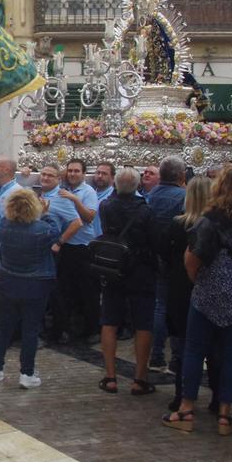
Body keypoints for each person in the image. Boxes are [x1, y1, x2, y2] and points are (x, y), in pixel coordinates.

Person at [164, 165, 232, 436]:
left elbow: (192, 258)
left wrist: (199, 280)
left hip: (209, 289)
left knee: (195, 350)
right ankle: (225, 411)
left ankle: (186, 406)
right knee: (231, 353)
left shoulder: (210, 219)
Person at [0, 189, 60, 388]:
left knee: (3, 327)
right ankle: (26, 373)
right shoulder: (41, 229)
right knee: (30, 329)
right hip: (35, 285)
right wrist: (46, 214)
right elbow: (56, 232)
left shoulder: (5, 226)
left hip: (8, 283)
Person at [96, 168, 155, 396]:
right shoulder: (146, 211)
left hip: (114, 267)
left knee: (109, 321)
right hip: (140, 270)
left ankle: (110, 376)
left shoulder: (106, 206)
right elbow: (152, 240)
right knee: (143, 323)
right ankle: (139, 378)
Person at [162, 176, 211, 412]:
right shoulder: (212, 225)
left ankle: (181, 395)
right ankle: (218, 398)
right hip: (204, 285)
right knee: (212, 344)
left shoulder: (177, 224)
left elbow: (165, 253)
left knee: (181, 344)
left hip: (180, 286)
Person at [40, 162, 98, 343]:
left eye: (76, 171)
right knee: (64, 290)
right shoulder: (58, 191)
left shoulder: (80, 193)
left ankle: (92, 329)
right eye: (70, 171)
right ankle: (65, 328)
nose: (72, 174)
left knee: (87, 290)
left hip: (81, 245)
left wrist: (59, 241)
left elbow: (83, 220)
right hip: (66, 247)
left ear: (84, 173)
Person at [146, 157, 186, 373]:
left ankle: (156, 355)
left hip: (155, 255)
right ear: (181, 176)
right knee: (175, 306)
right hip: (176, 258)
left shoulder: (150, 195)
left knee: (159, 305)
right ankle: (176, 357)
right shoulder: (183, 197)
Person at [87, 162, 115, 239]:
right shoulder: (89, 194)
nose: (100, 176)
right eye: (98, 173)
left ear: (112, 177)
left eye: (104, 174)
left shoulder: (114, 197)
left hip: (104, 243)